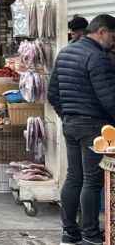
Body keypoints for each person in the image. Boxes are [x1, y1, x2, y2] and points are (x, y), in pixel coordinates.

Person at [48, 14, 115, 245]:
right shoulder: (98, 57)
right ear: (102, 32)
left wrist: (66, 115)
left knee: (74, 177)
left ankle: (69, 233)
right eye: (112, 37)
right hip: (94, 126)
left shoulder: (66, 52)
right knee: (91, 181)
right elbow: (109, 98)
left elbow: (52, 93)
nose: (113, 42)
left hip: (70, 124)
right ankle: (91, 235)